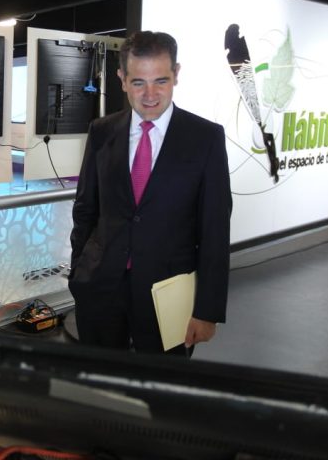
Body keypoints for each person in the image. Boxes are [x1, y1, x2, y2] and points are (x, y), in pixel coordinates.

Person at [68, 31, 232, 356]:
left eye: (161, 80)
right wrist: (79, 272)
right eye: (139, 82)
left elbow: (215, 231)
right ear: (122, 79)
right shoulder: (101, 132)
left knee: (162, 390)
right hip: (101, 288)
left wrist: (207, 310)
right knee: (100, 384)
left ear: (176, 75)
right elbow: (86, 209)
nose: (150, 94)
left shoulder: (205, 139)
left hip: (168, 293)